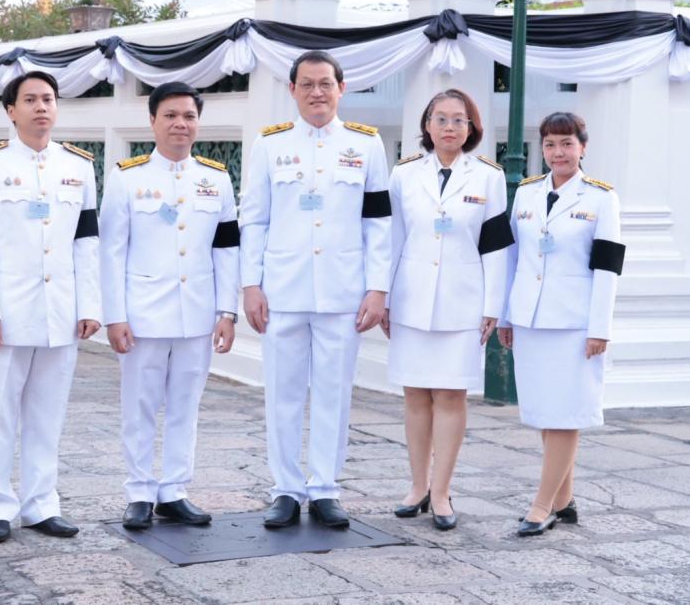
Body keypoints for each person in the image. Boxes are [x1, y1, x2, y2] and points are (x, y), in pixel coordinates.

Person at [240, 50, 391, 529]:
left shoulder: (367, 145)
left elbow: (379, 222)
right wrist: (250, 284)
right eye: (307, 84)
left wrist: (377, 288)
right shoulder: (269, 145)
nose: (317, 92)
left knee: (334, 392)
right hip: (283, 288)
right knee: (282, 393)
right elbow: (254, 219)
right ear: (292, 91)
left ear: (342, 88)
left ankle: (325, 487)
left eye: (326, 83)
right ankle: (285, 488)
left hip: (342, 290)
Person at [0, 71, 101, 543]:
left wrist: (89, 302)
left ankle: (41, 504)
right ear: (11, 110)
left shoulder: (79, 166)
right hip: (9, 310)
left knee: (48, 413)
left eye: (49, 99)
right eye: (31, 100)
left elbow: (86, 240)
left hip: (60, 310)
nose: (42, 107)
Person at [99, 81, 240, 530]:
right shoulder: (127, 176)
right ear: (153, 121)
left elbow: (227, 249)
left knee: (186, 405)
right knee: (139, 405)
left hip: (197, 313)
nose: (181, 124)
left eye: (189, 116)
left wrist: (227, 311)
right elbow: (111, 251)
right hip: (143, 314)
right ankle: (139, 491)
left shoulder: (216, 179)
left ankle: (175, 490)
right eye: (171, 115)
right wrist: (115, 316)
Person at [382, 88, 513, 530]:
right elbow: (391, 240)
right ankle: (417, 486)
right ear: (426, 125)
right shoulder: (402, 174)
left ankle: (441, 492)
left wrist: (494, 304)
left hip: (463, 302)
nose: (450, 127)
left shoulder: (488, 177)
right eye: (441, 119)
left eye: (460, 120)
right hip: (410, 299)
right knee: (416, 395)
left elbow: (496, 246)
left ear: (472, 128)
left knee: (451, 395)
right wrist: (381, 295)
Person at [497, 112, 625, 537]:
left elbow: (608, 268)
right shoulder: (526, 194)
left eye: (567, 144)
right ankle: (565, 500)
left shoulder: (601, 199)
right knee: (546, 413)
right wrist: (506, 315)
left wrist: (599, 327)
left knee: (566, 414)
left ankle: (542, 506)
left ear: (583, 147)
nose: (558, 153)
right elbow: (512, 260)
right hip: (531, 318)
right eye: (550, 144)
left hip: (574, 323)